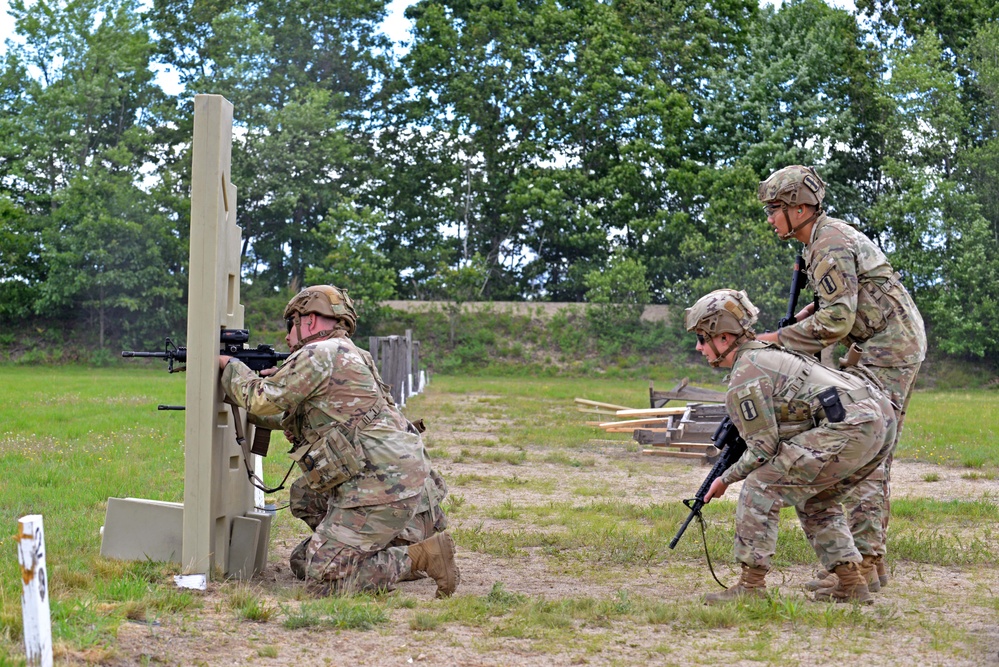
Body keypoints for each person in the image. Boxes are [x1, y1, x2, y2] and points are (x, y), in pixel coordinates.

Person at [218, 284, 458, 597]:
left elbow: (262, 401)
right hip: (396, 481)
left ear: (310, 320)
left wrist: (230, 368)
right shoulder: (352, 354)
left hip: (380, 485)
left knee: (324, 578)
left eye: (291, 325)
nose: (289, 337)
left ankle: (422, 557)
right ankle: (363, 551)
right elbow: (295, 414)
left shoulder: (319, 353)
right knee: (303, 552)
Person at [755, 165, 926, 591]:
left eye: (774, 208)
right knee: (870, 449)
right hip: (881, 344)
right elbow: (837, 303)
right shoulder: (823, 239)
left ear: (798, 208)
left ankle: (865, 564)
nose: (770, 218)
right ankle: (871, 564)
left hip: (887, 350)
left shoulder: (828, 243)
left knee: (869, 451)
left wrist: (778, 338)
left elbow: (838, 319)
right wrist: (802, 319)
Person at [687, 289, 895, 604]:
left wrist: (725, 479)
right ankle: (851, 583)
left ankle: (751, 587)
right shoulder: (769, 354)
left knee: (761, 485)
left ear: (724, 338)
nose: (699, 347)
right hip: (877, 418)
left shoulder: (745, 375)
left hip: (850, 425)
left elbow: (762, 449)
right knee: (815, 499)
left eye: (703, 338)